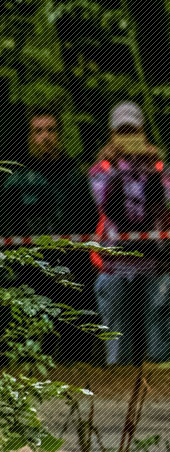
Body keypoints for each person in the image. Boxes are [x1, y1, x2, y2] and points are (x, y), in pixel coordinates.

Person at [0, 109, 102, 361]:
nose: (45, 136)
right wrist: (20, 275)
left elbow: (91, 222)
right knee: (32, 356)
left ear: (60, 135)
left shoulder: (76, 176)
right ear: (29, 137)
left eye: (51, 130)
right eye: (38, 131)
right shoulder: (16, 180)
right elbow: (8, 234)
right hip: (32, 278)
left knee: (75, 355)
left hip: (74, 274)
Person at [87, 101, 170, 365]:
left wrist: (151, 167)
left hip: (153, 260)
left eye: (132, 131)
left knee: (159, 337)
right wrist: (115, 166)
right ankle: (118, 375)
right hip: (115, 262)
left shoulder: (159, 167)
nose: (127, 138)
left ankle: (161, 377)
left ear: (143, 133)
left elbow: (161, 205)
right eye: (122, 132)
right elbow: (108, 207)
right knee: (117, 344)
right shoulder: (101, 169)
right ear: (112, 135)